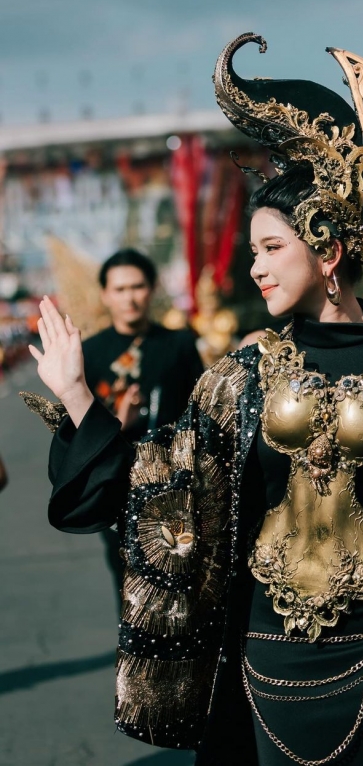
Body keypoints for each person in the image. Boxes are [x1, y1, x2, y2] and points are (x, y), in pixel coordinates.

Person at [24, 34, 363, 766]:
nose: (255, 269)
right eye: (253, 251)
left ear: (327, 247)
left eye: (270, 248)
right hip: (264, 666)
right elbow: (161, 490)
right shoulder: (239, 374)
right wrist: (78, 397)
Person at [81, 248, 204, 610]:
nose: (129, 297)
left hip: (173, 480)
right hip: (116, 481)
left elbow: (199, 409)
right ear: (105, 294)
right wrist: (119, 422)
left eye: (137, 286)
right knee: (127, 574)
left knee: (178, 570)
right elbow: (79, 428)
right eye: (119, 289)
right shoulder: (90, 352)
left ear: (152, 289)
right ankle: (135, 652)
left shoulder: (179, 344)